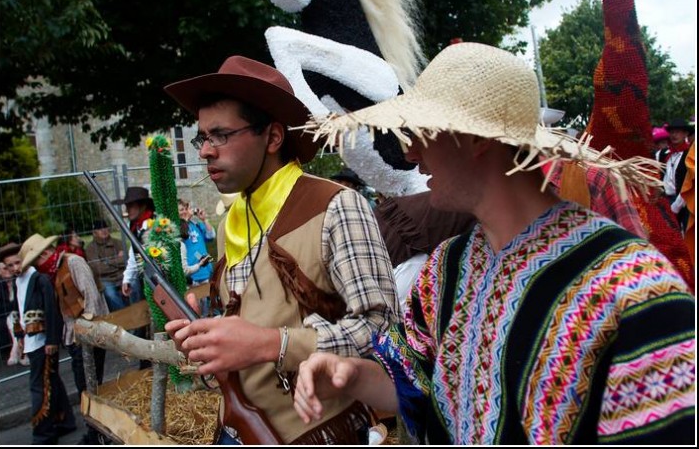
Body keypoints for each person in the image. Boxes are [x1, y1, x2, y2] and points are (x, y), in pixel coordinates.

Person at [294, 43, 695, 444]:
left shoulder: (634, 289)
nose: (412, 153)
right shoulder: (446, 268)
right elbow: (414, 383)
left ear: (474, 139)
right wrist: (354, 375)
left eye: (420, 133)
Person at [163, 55, 399, 444]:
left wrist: (275, 344)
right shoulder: (228, 225)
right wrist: (205, 339)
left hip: (316, 432)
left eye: (220, 135)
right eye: (202, 137)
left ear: (273, 137)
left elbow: (383, 330)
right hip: (236, 431)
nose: (205, 151)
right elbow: (242, 328)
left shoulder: (337, 206)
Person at [24, 231, 110, 444]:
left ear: (45, 254)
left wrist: (89, 332)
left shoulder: (74, 263)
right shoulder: (53, 273)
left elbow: (91, 299)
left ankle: (99, 434)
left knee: (90, 387)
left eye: (36, 261)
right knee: (85, 388)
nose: (36, 267)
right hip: (75, 338)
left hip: (88, 336)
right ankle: (96, 432)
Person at [8, 234, 76, 445]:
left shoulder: (39, 279)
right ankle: (65, 421)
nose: (14, 268)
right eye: (9, 265)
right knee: (52, 381)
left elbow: (51, 310)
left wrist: (52, 340)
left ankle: (43, 433)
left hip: (43, 342)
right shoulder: (18, 281)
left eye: (17, 262)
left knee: (39, 386)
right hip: (31, 341)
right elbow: (19, 310)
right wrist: (19, 336)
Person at [114, 186, 156, 304]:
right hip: (146, 277)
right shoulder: (134, 226)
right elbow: (135, 254)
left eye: (131, 206)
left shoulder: (156, 225)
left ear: (142, 206)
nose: (128, 210)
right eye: (127, 206)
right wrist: (127, 278)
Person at [85, 219, 127, 312]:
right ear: (94, 232)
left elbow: (126, 260)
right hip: (105, 279)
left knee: (134, 286)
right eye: (100, 229)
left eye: (105, 227)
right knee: (110, 295)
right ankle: (125, 316)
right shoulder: (90, 248)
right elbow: (98, 269)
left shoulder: (118, 242)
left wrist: (107, 261)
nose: (103, 230)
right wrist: (117, 260)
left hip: (123, 275)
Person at [0, 244, 28, 366]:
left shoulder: (19, 281)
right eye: (6, 268)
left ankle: (15, 352)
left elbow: (18, 304)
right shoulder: (0, 286)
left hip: (22, 315)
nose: (9, 270)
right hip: (8, 318)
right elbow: (1, 309)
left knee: (12, 318)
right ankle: (17, 351)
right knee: (10, 318)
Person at [661, 118, 693, 231]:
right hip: (664, 199)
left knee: (685, 231)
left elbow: (690, 183)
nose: (674, 135)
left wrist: (676, 206)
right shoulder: (663, 154)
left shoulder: (690, 155)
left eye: (678, 132)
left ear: (685, 134)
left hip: (682, 201)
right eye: (672, 132)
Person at [177, 199, 215, 286]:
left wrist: (204, 220)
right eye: (182, 210)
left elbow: (211, 236)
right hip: (192, 274)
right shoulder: (176, 226)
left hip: (207, 270)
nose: (185, 212)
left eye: (186, 209)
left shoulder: (195, 224)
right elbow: (183, 235)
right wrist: (186, 219)